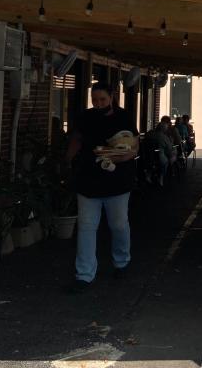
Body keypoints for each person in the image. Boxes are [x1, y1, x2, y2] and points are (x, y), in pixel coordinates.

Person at [66, 82, 137, 291]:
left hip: (117, 179)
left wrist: (121, 156)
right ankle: (84, 275)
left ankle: (121, 262)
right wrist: (67, 160)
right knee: (87, 226)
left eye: (102, 100)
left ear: (112, 97)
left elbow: (133, 147)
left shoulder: (124, 117)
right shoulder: (85, 117)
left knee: (119, 224)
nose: (98, 104)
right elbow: (77, 139)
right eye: (95, 100)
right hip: (88, 179)